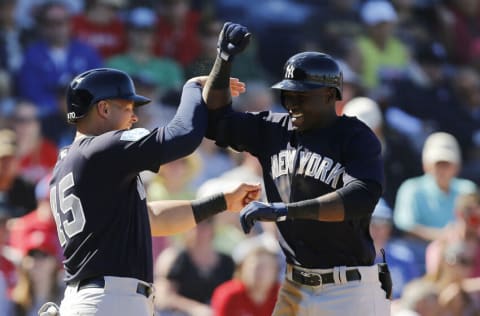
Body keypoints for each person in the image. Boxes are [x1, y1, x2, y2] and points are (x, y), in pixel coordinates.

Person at [202, 22, 390, 315]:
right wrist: (223, 61)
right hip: (295, 286)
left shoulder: (355, 136)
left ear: (330, 96)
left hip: (350, 289)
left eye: (302, 96)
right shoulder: (273, 130)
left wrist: (286, 210)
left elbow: (361, 196)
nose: (292, 103)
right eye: (288, 95)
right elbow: (215, 121)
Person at [47, 66, 260, 316]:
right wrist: (192, 88)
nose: (134, 116)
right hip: (110, 300)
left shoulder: (69, 163)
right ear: (103, 109)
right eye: (127, 108)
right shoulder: (101, 149)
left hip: (99, 299)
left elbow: (152, 218)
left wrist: (220, 202)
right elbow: (183, 136)